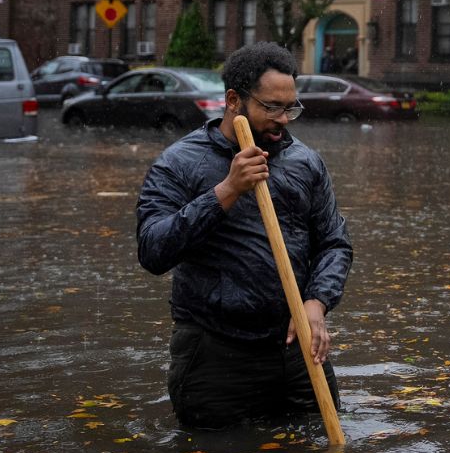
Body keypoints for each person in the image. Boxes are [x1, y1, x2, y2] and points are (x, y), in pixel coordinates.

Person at [136, 42, 353, 429]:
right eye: (272, 108)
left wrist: (317, 302)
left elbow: (334, 242)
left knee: (317, 449)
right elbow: (153, 250)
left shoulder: (305, 162)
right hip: (215, 353)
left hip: (296, 346)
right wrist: (226, 190)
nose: (283, 119)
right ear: (234, 100)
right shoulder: (179, 163)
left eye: (291, 108)